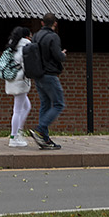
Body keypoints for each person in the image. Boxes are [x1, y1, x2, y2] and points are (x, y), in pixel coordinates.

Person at [28, 13, 66, 149]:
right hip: (50, 75)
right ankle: (40, 129)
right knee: (59, 104)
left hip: (38, 74)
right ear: (55, 24)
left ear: (42, 23)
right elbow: (58, 56)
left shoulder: (36, 36)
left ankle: (44, 139)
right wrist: (63, 54)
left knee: (45, 104)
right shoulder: (53, 37)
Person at [3, 26, 33, 147]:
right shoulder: (24, 48)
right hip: (20, 81)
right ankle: (14, 136)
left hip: (12, 80)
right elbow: (26, 66)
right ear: (26, 37)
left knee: (27, 106)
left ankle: (18, 133)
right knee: (18, 110)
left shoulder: (12, 47)